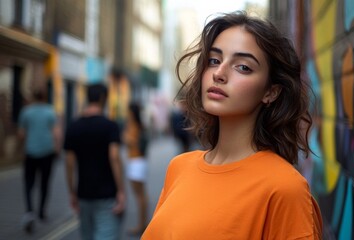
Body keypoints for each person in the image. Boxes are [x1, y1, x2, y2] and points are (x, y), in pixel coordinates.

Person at [141, 11, 323, 239]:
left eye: (243, 67)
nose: (219, 73)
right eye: (214, 61)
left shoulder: (285, 188)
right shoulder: (179, 167)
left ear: (271, 91)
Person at [64, 83, 125, 240]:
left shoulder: (73, 126)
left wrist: (72, 192)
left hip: (83, 194)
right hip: (107, 194)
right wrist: (121, 191)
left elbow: (69, 163)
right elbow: (114, 157)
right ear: (103, 98)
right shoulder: (110, 126)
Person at [18, 89, 59, 233]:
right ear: (45, 97)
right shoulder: (50, 111)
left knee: (29, 183)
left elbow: (21, 134)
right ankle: (42, 211)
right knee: (44, 183)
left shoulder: (26, 112)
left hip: (30, 152)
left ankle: (30, 210)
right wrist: (57, 149)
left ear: (34, 97)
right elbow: (56, 133)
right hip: (47, 152)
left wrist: (21, 147)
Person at [122, 102, 149, 235]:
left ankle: (141, 225)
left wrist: (125, 137)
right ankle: (143, 223)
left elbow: (130, 141)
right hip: (139, 161)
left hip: (136, 161)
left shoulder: (133, 125)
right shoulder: (139, 124)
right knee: (141, 195)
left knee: (140, 196)